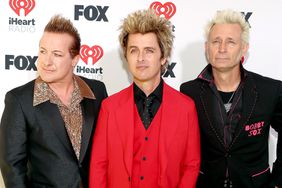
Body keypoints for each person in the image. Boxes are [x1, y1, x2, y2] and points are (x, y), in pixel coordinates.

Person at [89, 9, 200, 188]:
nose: (141, 58)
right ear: (126, 56)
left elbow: (191, 165)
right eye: (134, 51)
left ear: (163, 57)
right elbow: (98, 165)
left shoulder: (186, 108)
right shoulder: (109, 107)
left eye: (149, 51)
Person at [0, 15, 108, 188]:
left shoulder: (97, 91)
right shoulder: (19, 100)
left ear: (75, 60)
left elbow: (106, 150)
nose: (46, 61)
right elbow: (13, 168)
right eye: (42, 51)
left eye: (56, 54)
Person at [180, 9, 282, 188]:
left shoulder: (270, 90)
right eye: (216, 41)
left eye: (231, 42)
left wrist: (278, 181)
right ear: (206, 47)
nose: (221, 49)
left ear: (244, 48)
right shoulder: (190, 91)